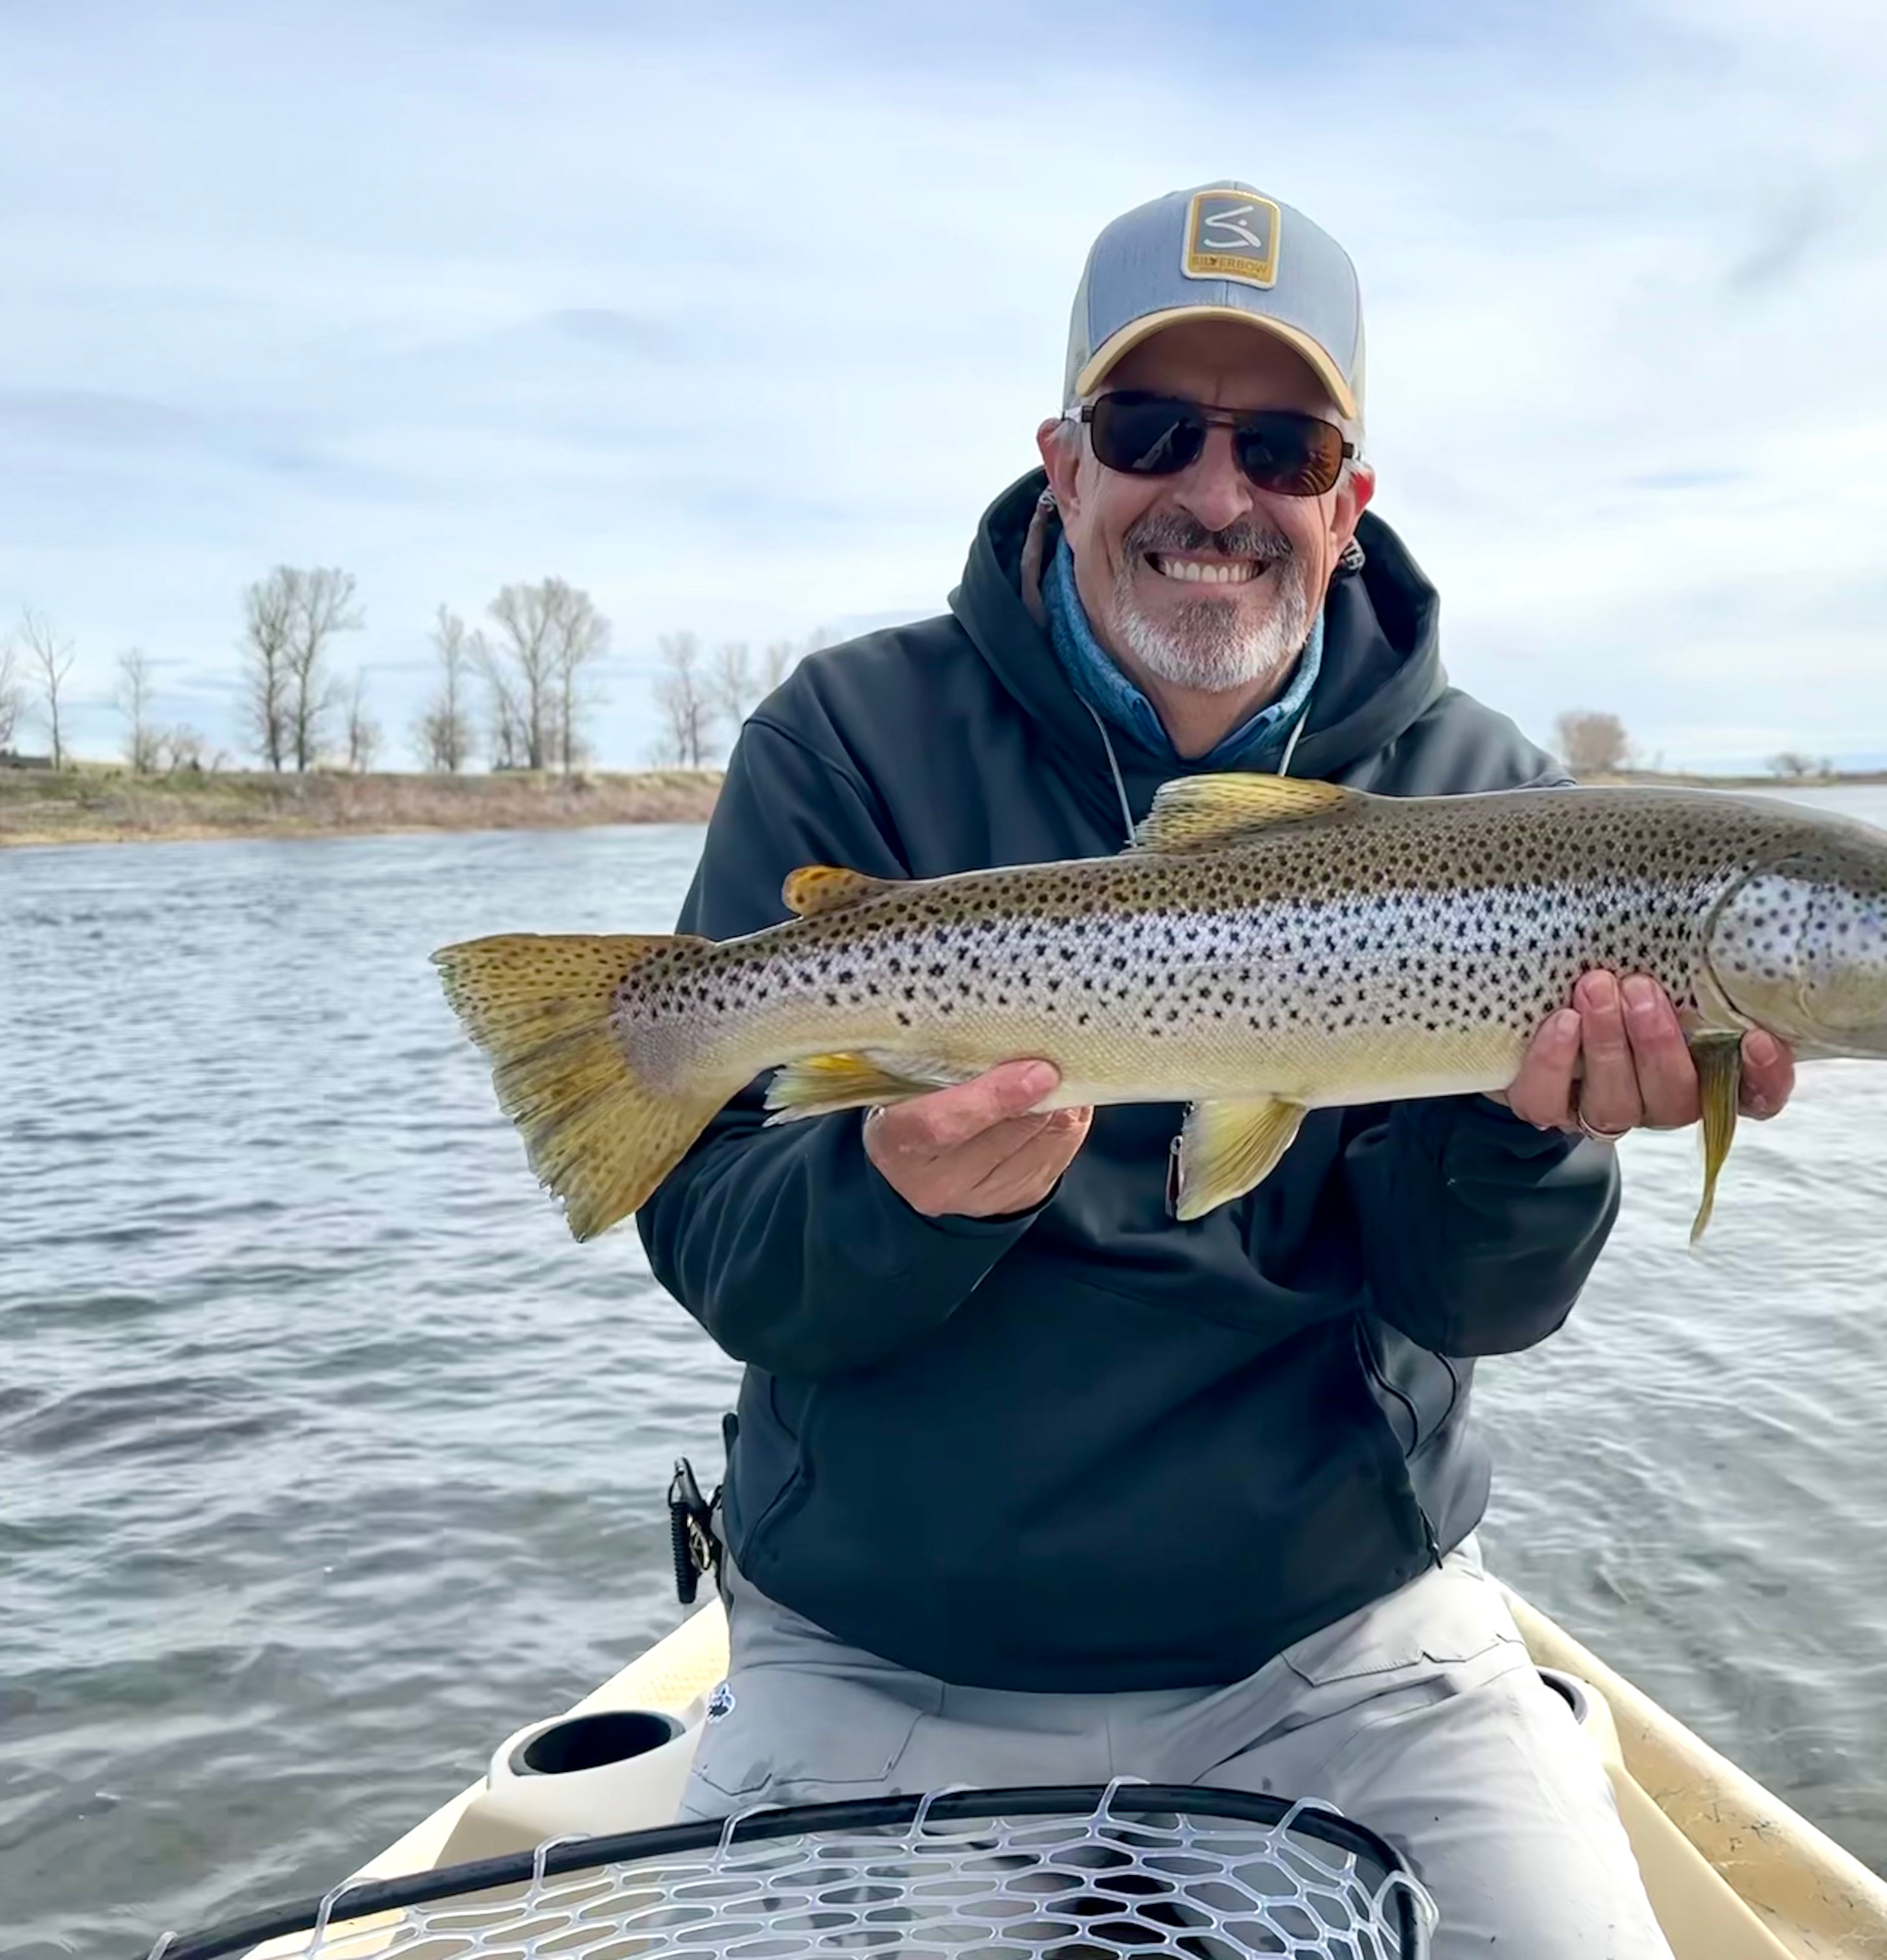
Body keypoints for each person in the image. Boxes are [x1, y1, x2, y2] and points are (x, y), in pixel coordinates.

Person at [638, 180, 1795, 1960]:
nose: (1215, 491)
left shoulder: (1493, 799)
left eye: (1280, 446)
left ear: (1348, 500)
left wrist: (1529, 1138)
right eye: (1151, 430)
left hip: (1339, 1648)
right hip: (887, 1651)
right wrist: (889, 1199)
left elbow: (1475, 1309)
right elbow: (723, 1248)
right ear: (1063, 463)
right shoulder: (850, 740)